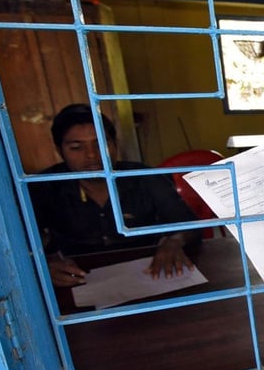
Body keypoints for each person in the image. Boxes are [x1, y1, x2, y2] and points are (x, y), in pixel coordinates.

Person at [31, 104, 203, 287]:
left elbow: (189, 224)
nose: (91, 155)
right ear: (60, 151)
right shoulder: (44, 186)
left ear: (115, 144)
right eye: (76, 147)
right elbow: (23, 241)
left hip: (152, 275)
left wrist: (175, 241)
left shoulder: (145, 178)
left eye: (100, 144)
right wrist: (44, 264)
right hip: (78, 282)